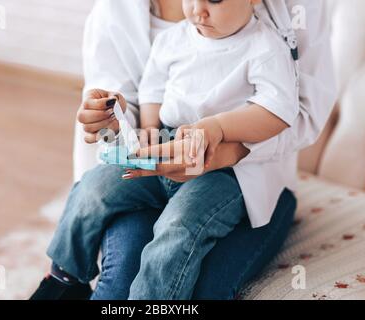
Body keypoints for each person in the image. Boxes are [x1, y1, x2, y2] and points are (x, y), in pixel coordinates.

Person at [31, 0, 336, 300]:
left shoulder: (266, 47)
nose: (197, 10)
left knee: (177, 229)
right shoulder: (172, 38)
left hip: (224, 172)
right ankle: (65, 276)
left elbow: (281, 109)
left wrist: (220, 133)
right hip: (163, 150)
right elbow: (151, 91)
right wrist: (138, 129)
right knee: (94, 188)